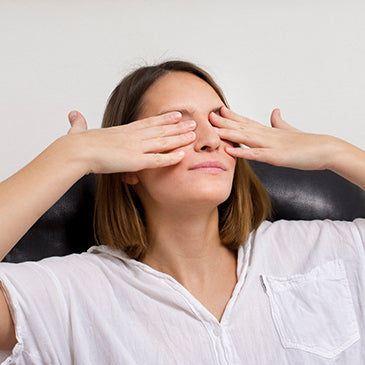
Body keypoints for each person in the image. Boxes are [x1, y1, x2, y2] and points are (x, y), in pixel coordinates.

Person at [0, 60, 364, 364]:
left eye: (219, 121)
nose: (210, 139)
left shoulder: (322, 251)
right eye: (177, 124)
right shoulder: (71, 295)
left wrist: (335, 152)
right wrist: (70, 156)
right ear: (126, 160)